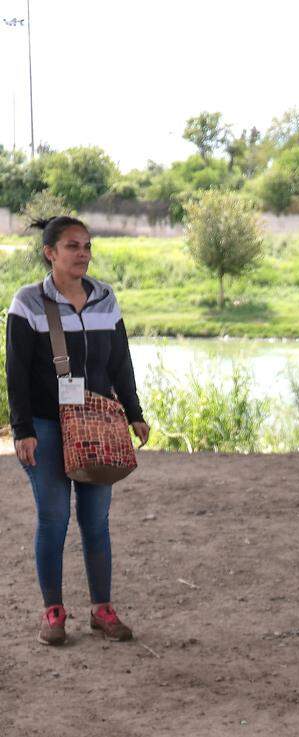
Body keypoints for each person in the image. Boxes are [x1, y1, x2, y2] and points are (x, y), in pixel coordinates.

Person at [6, 216, 149, 646]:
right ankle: (53, 612)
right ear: (50, 252)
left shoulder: (106, 299)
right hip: (47, 426)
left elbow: (120, 361)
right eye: (72, 246)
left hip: (98, 424)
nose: (83, 254)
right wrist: (23, 429)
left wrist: (135, 413)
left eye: (87, 246)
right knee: (54, 519)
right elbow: (15, 372)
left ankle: (102, 609)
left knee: (96, 521)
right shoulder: (28, 302)